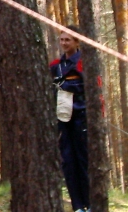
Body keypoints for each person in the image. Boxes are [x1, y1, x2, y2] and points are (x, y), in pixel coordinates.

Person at [50, 26, 90, 212]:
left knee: (83, 160)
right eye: (62, 39)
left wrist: (65, 85)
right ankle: (77, 206)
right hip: (63, 119)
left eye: (68, 40)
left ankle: (89, 202)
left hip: (82, 116)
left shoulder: (84, 62)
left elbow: (89, 86)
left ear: (77, 42)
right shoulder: (55, 65)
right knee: (68, 161)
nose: (64, 43)